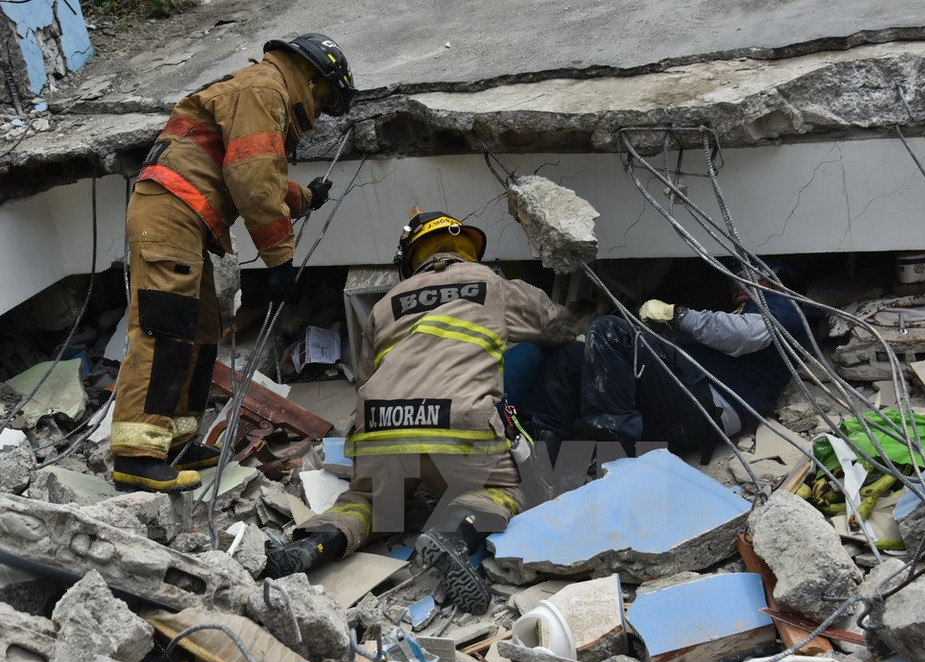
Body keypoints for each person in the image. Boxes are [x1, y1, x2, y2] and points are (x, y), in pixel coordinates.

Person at [265, 209, 575, 613]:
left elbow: (364, 380)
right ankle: (454, 537)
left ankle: (318, 542)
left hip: (381, 429)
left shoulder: (385, 305)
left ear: (411, 258)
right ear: (466, 248)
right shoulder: (489, 284)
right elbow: (555, 325)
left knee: (370, 502)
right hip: (458, 427)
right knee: (505, 489)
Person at [110, 34, 358, 494]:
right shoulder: (265, 90)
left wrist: (305, 198)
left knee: (201, 331)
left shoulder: (264, 91)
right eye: (325, 99)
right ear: (310, 77)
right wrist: (280, 261)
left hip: (185, 216)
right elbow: (251, 180)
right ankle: (136, 457)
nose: (320, 111)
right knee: (164, 329)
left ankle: (177, 441)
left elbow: (250, 167)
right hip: (171, 212)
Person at [526, 261, 807, 463]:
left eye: (745, 277)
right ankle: (541, 455)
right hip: (680, 403)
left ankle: (617, 456)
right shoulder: (743, 314)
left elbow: (743, 335)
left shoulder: (782, 306)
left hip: (709, 408)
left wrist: (679, 315)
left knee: (609, 330)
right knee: (570, 353)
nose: (736, 286)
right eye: (733, 282)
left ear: (773, 279)